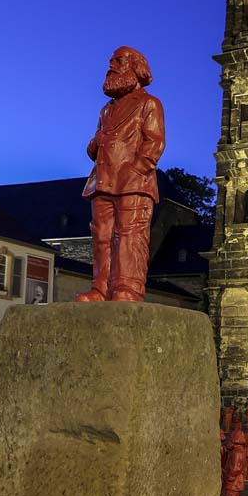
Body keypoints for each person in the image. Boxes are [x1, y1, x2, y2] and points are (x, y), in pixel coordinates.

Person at [76, 46, 165, 303]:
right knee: (102, 236)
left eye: (119, 60)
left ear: (136, 67)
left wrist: (137, 170)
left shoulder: (149, 103)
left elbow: (154, 142)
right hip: (102, 181)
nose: (112, 65)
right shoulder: (106, 110)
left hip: (133, 182)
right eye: (111, 61)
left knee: (130, 235)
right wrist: (97, 141)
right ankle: (100, 288)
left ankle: (128, 288)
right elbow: (93, 148)